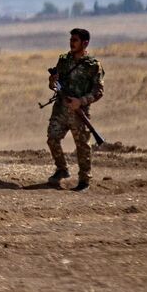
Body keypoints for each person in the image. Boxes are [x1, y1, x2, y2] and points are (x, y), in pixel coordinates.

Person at [46, 28, 105, 191]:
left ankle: (84, 180)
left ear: (85, 43)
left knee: (82, 146)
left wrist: (81, 101)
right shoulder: (64, 61)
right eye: (71, 39)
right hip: (61, 109)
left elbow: (98, 91)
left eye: (75, 40)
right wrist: (53, 82)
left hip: (80, 113)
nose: (71, 43)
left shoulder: (93, 65)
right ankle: (62, 169)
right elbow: (55, 86)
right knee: (52, 138)